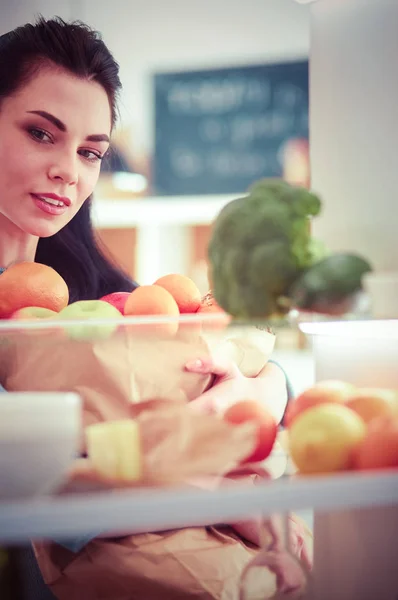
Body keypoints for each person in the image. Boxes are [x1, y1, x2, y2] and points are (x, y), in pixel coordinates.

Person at [0, 15, 299, 599]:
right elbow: (28, 497)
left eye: (91, 151)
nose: (68, 169)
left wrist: (263, 389)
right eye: (41, 133)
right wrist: (217, 494)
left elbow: (235, 383)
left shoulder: (99, 292)